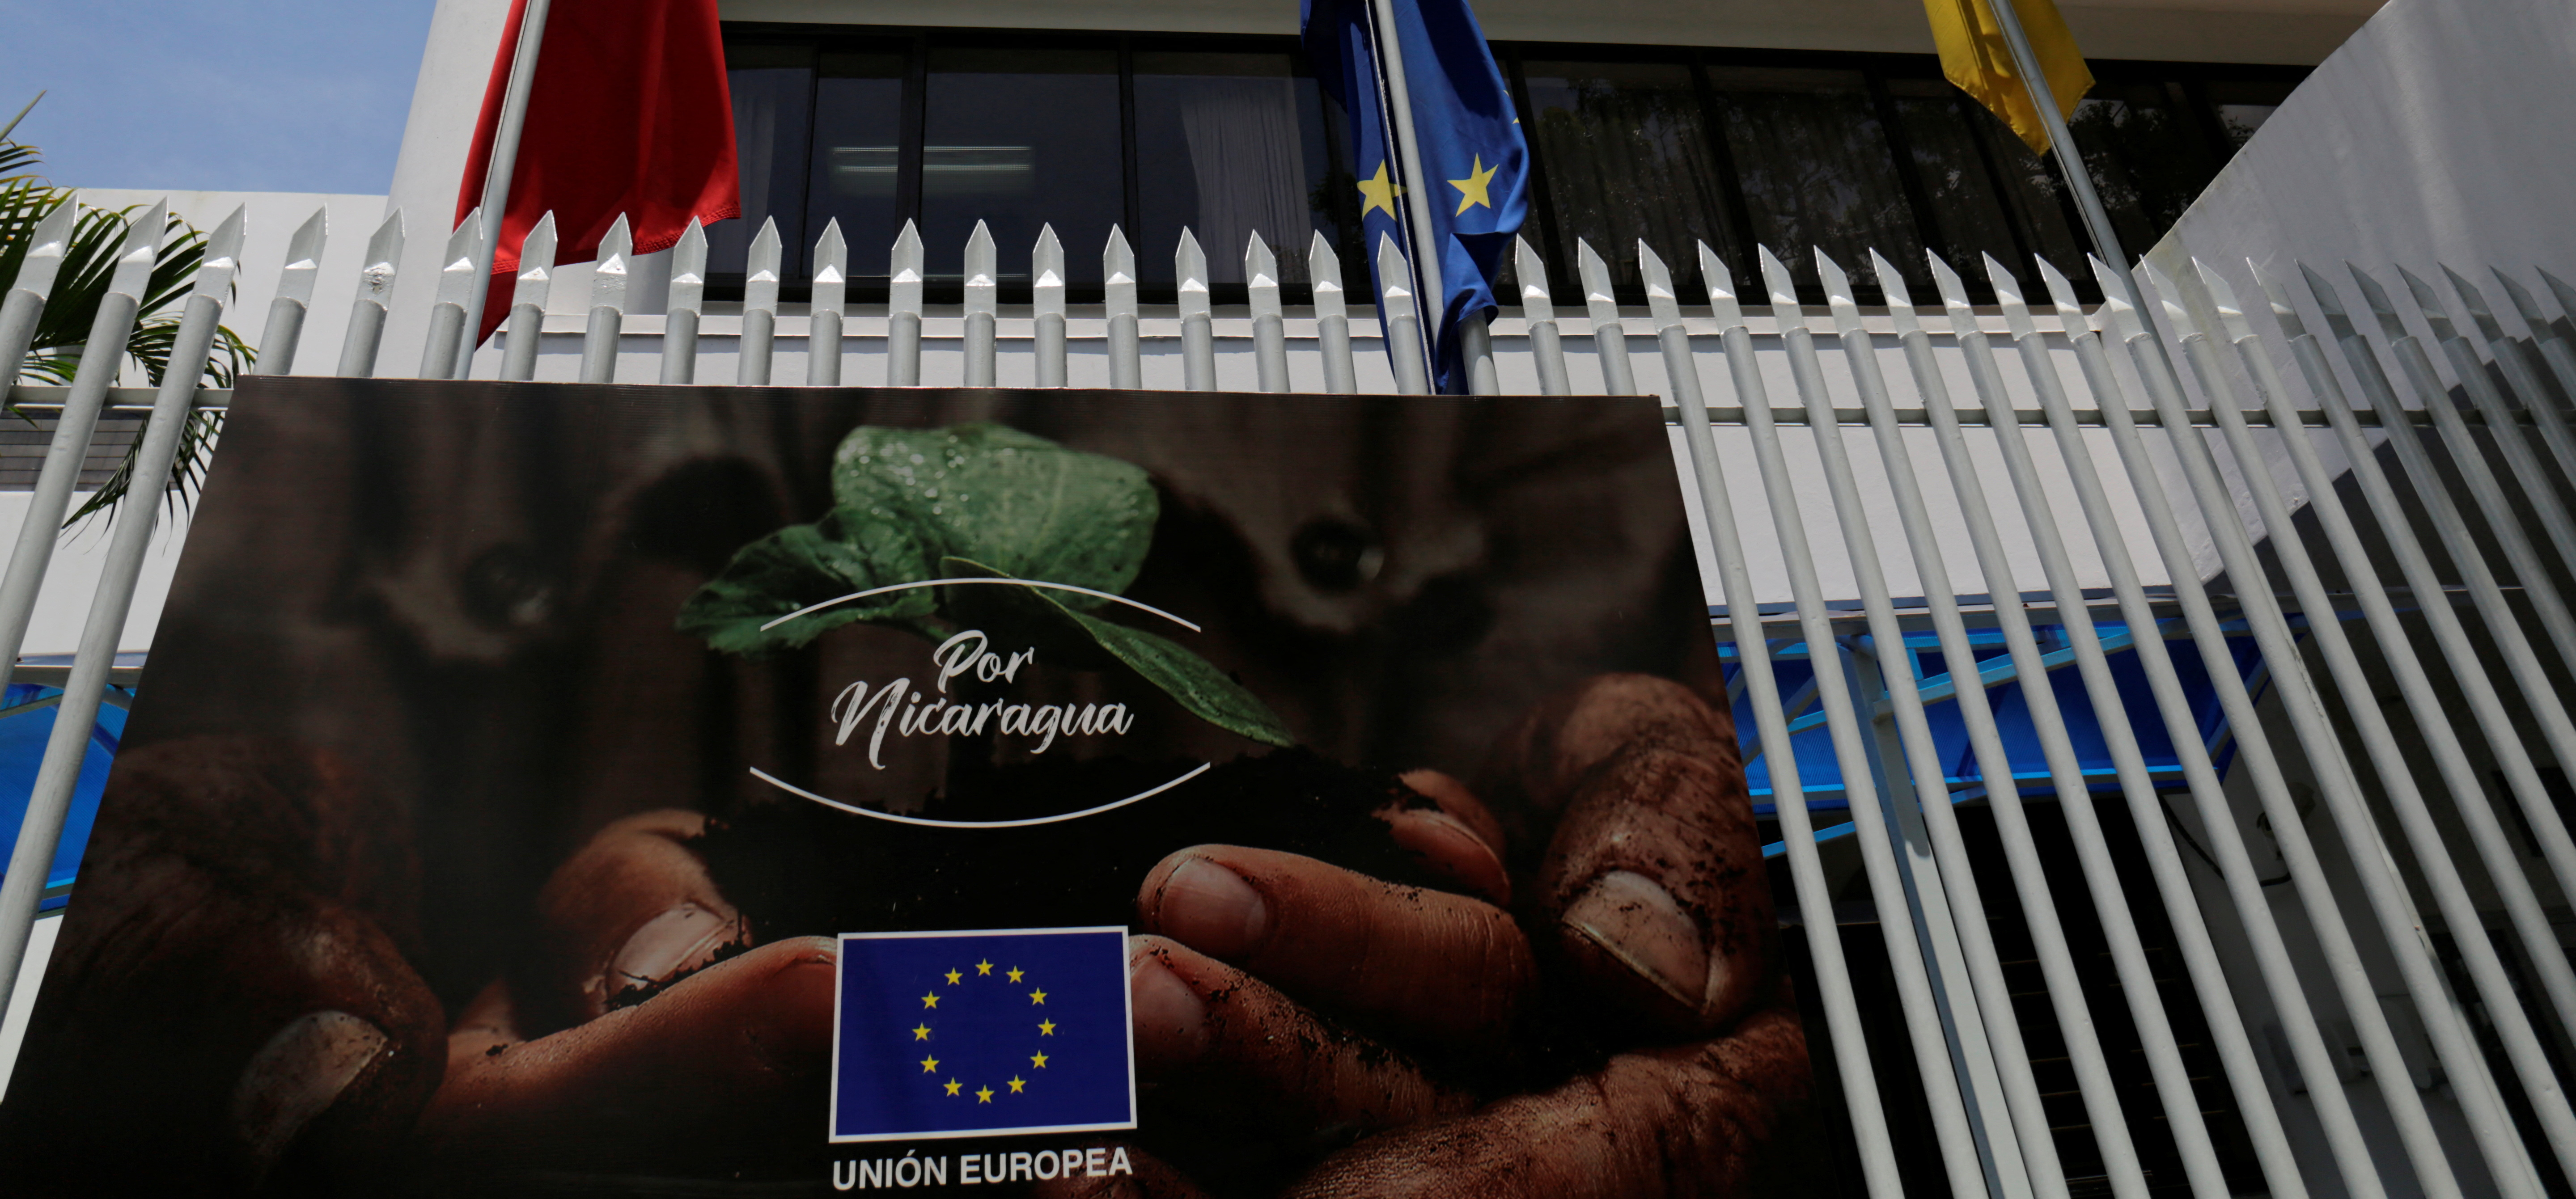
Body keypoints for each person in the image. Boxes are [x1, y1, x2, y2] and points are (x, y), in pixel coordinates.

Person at [0, 385, 1808, 1195]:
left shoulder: (1490, 396)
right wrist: (276, 909)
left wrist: (1602, 874)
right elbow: (276, 784)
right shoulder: (355, 441)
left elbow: (1558, 760)